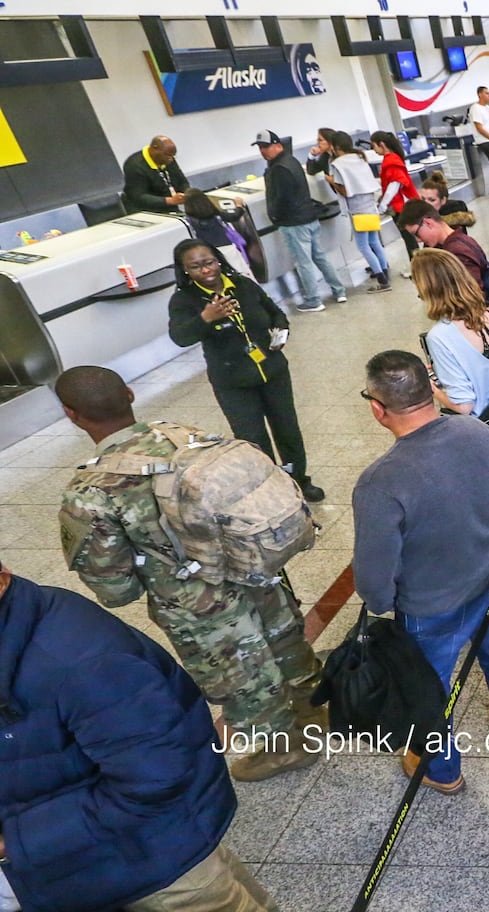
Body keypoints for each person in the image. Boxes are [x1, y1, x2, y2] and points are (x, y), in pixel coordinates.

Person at [54, 363, 323, 783]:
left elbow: (116, 588)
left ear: (71, 414)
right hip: (256, 568)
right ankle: (315, 708)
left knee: (241, 675)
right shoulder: (187, 437)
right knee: (285, 639)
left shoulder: (90, 492)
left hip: (199, 610)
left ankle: (285, 749)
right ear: (129, 393)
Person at [0, 561, 274, 912]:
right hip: (89, 858)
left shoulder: (83, 663)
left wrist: (14, 842)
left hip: (153, 867)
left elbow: (154, 781)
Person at [353, 350, 489, 794]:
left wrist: (380, 606)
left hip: (431, 605)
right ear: (430, 389)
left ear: (378, 409)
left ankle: (442, 770)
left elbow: (375, 572)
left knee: (429, 688)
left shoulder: (381, 482)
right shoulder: (477, 431)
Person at [166, 240, 326, 503]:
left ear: (218, 259)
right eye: (194, 267)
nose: (205, 270)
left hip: (273, 370)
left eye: (208, 262)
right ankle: (271, 489)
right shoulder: (185, 300)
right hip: (232, 381)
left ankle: (299, 480)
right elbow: (180, 337)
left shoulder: (242, 285)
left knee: (288, 430)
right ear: (185, 271)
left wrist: (281, 332)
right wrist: (206, 318)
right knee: (252, 438)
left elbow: (275, 312)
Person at [254, 129, 347, 312]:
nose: (263, 151)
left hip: (293, 222)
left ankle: (313, 300)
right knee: (319, 257)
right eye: (260, 147)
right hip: (308, 217)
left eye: (266, 146)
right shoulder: (291, 161)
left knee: (303, 261)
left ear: (278, 146)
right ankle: (339, 290)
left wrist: (275, 215)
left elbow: (280, 197)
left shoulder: (278, 168)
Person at [410, 249, 489, 417]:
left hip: (481, 424)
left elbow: (464, 405)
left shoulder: (439, 336)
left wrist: (431, 387)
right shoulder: (487, 314)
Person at [322, 128, 392, 291]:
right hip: (370, 206)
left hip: (357, 211)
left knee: (363, 246)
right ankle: (385, 272)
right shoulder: (360, 157)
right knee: (374, 242)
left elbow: (345, 191)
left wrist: (330, 181)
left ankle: (382, 281)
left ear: (336, 147)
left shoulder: (337, 164)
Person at [399, 197, 489, 290]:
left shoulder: (456, 252)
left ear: (428, 223)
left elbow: (474, 295)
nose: (418, 240)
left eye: (416, 233)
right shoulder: (459, 241)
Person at [372, 130, 421, 271]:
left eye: (374, 146)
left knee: (409, 239)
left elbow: (394, 185)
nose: (373, 150)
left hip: (401, 206)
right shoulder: (393, 158)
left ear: (381, 144)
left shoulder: (391, 161)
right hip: (402, 204)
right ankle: (417, 267)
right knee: (409, 238)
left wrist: (382, 205)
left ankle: (417, 268)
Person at [179, 188, 254, 277]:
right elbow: (234, 216)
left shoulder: (189, 220)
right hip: (227, 248)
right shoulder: (215, 214)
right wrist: (239, 206)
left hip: (209, 253)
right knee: (241, 273)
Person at [120, 135, 190, 213]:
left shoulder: (168, 158)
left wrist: (187, 194)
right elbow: (139, 197)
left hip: (169, 208)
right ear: (154, 149)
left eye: (173, 156)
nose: (170, 159)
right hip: (145, 211)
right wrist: (170, 200)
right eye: (167, 155)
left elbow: (181, 180)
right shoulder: (134, 165)